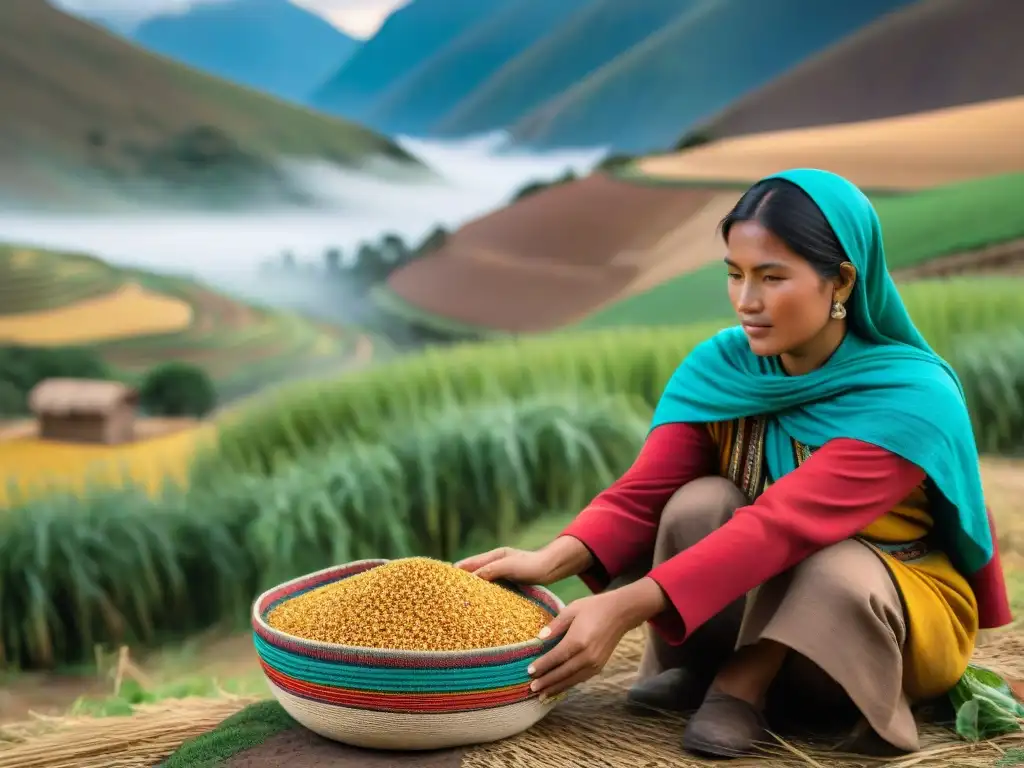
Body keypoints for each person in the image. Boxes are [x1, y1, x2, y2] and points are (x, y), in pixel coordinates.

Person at [456, 168, 1013, 759]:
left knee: (832, 563)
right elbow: (643, 493)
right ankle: (701, 665)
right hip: (755, 582)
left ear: (842, 282)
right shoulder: (724, 368)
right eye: (735, 274)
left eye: (772, 278)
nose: (747, 302)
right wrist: (551, 557)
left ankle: (744, 683)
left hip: (877, 617)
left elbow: (784, 523)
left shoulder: (909, 396)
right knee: (699, 503)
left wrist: (622, 605)